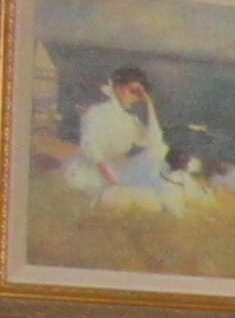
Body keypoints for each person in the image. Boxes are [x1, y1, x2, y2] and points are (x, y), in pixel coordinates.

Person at [59, 65, 193, 210]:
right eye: (133, 91)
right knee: (141, 197)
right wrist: (114, 183)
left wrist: (149, 105)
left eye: (139, 93)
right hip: (90, 173)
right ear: (117, 87)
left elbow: (155, 142)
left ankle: (181, 195)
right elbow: (94, 153)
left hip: (115, 170)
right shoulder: (96, 113)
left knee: (158, 153)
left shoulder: (129, 120)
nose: (135, 97)